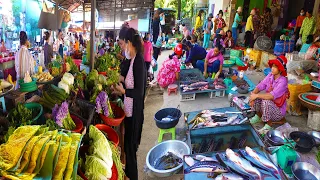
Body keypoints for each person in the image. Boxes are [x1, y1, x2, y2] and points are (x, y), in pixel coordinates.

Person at [113, 28, 146, 180]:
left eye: (123, 43)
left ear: (129, 43)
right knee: (127, 148)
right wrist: (118, 83)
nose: (122, 47)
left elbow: (139, 93)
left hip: (135, 114)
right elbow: (128, 81)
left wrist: (124, 92)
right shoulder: (132, 60)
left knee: (131, 151)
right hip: (129, 111)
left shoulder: (139, 62)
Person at [249, 55, 289, 133]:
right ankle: (258, 116)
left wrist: (256, 95)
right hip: (268, 107)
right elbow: (260, 86)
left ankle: (268, 125)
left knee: (265, 101)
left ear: (280, 70)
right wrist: (252, 96)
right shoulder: (270, 75)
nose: (272, 68)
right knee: (257, 97)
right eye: (272, 66)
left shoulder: (283, 81)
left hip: (278, 112)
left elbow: (271, 96)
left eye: (275, 67)